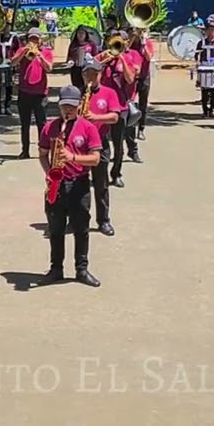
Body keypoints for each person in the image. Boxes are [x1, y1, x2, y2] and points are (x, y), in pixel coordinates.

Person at [38, 85, 103, 287]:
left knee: (81, 228)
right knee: (56, 229)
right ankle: (56, 268)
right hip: (56, 183)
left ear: (78, 107)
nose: (68, 111)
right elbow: (42, 153)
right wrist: (50, 172)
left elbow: (96, 159)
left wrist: (72, 157)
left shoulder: (88, 127)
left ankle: (81, 269)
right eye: (65, 106)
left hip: (79, 183)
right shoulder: (50, 127)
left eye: (72, 107)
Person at [80, 59, 121, 236]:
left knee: (101, 184)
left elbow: (115, 117)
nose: (90, 77)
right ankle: (79, 219)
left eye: (94, 74)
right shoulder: (77, 93)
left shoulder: (109, 93)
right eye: (87, 73)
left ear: (100, 74)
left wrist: (95, 118)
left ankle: (103, 220)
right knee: (78, 185)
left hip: (99, 143)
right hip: (79, 144)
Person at [100, 29, 141, 184]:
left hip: (119, 106)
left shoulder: (128, 58)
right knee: (99, 141)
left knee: (118, 143)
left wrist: (122, 59)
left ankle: (116, 173)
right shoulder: (104, 56)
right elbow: (90, 71)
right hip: (102, 105)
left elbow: (130, 79)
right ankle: (99, 172)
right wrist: (105, 60)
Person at [13, 29, 55, 159]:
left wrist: (40, 56)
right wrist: (24, 52)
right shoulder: (22, 50)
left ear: (41, 40)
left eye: (36, 39)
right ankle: (24, 150)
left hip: (40, 93)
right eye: (31, 39)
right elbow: (13, 62)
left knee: (41, 124)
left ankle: (43, 149)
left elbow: (49, 68)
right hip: (24, 92)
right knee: (24, 123)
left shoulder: (46, 52)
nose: (33, 42)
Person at [129, 27, 156, 142]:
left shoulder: (148, 43)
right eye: (138, 29)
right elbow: (124, 50)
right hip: (132, 77)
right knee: (130, 102)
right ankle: (130, 128)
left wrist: (144, 43)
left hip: (144, 77)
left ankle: (141, 129)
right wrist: (133, 38)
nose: (140, 32)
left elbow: (149, 57)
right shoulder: (131, 41)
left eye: (142, 30)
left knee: (143, 104)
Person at [0, 27, 20, 118]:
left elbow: (18, 50)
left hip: (9, 65)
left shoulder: (14, 38)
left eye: (7, 27)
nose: (5, 30)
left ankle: (7, 107)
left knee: (9, 86)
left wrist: (14, 59)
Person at [195, 22, 214, 118]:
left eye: (212, 29)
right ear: (205, 31)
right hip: (204, 68)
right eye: (208, 30)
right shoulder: (201, 42)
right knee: (204, 90)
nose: (210, 32)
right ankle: (205, 110)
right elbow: (196, 55)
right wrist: (197, 63)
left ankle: (212, 110)